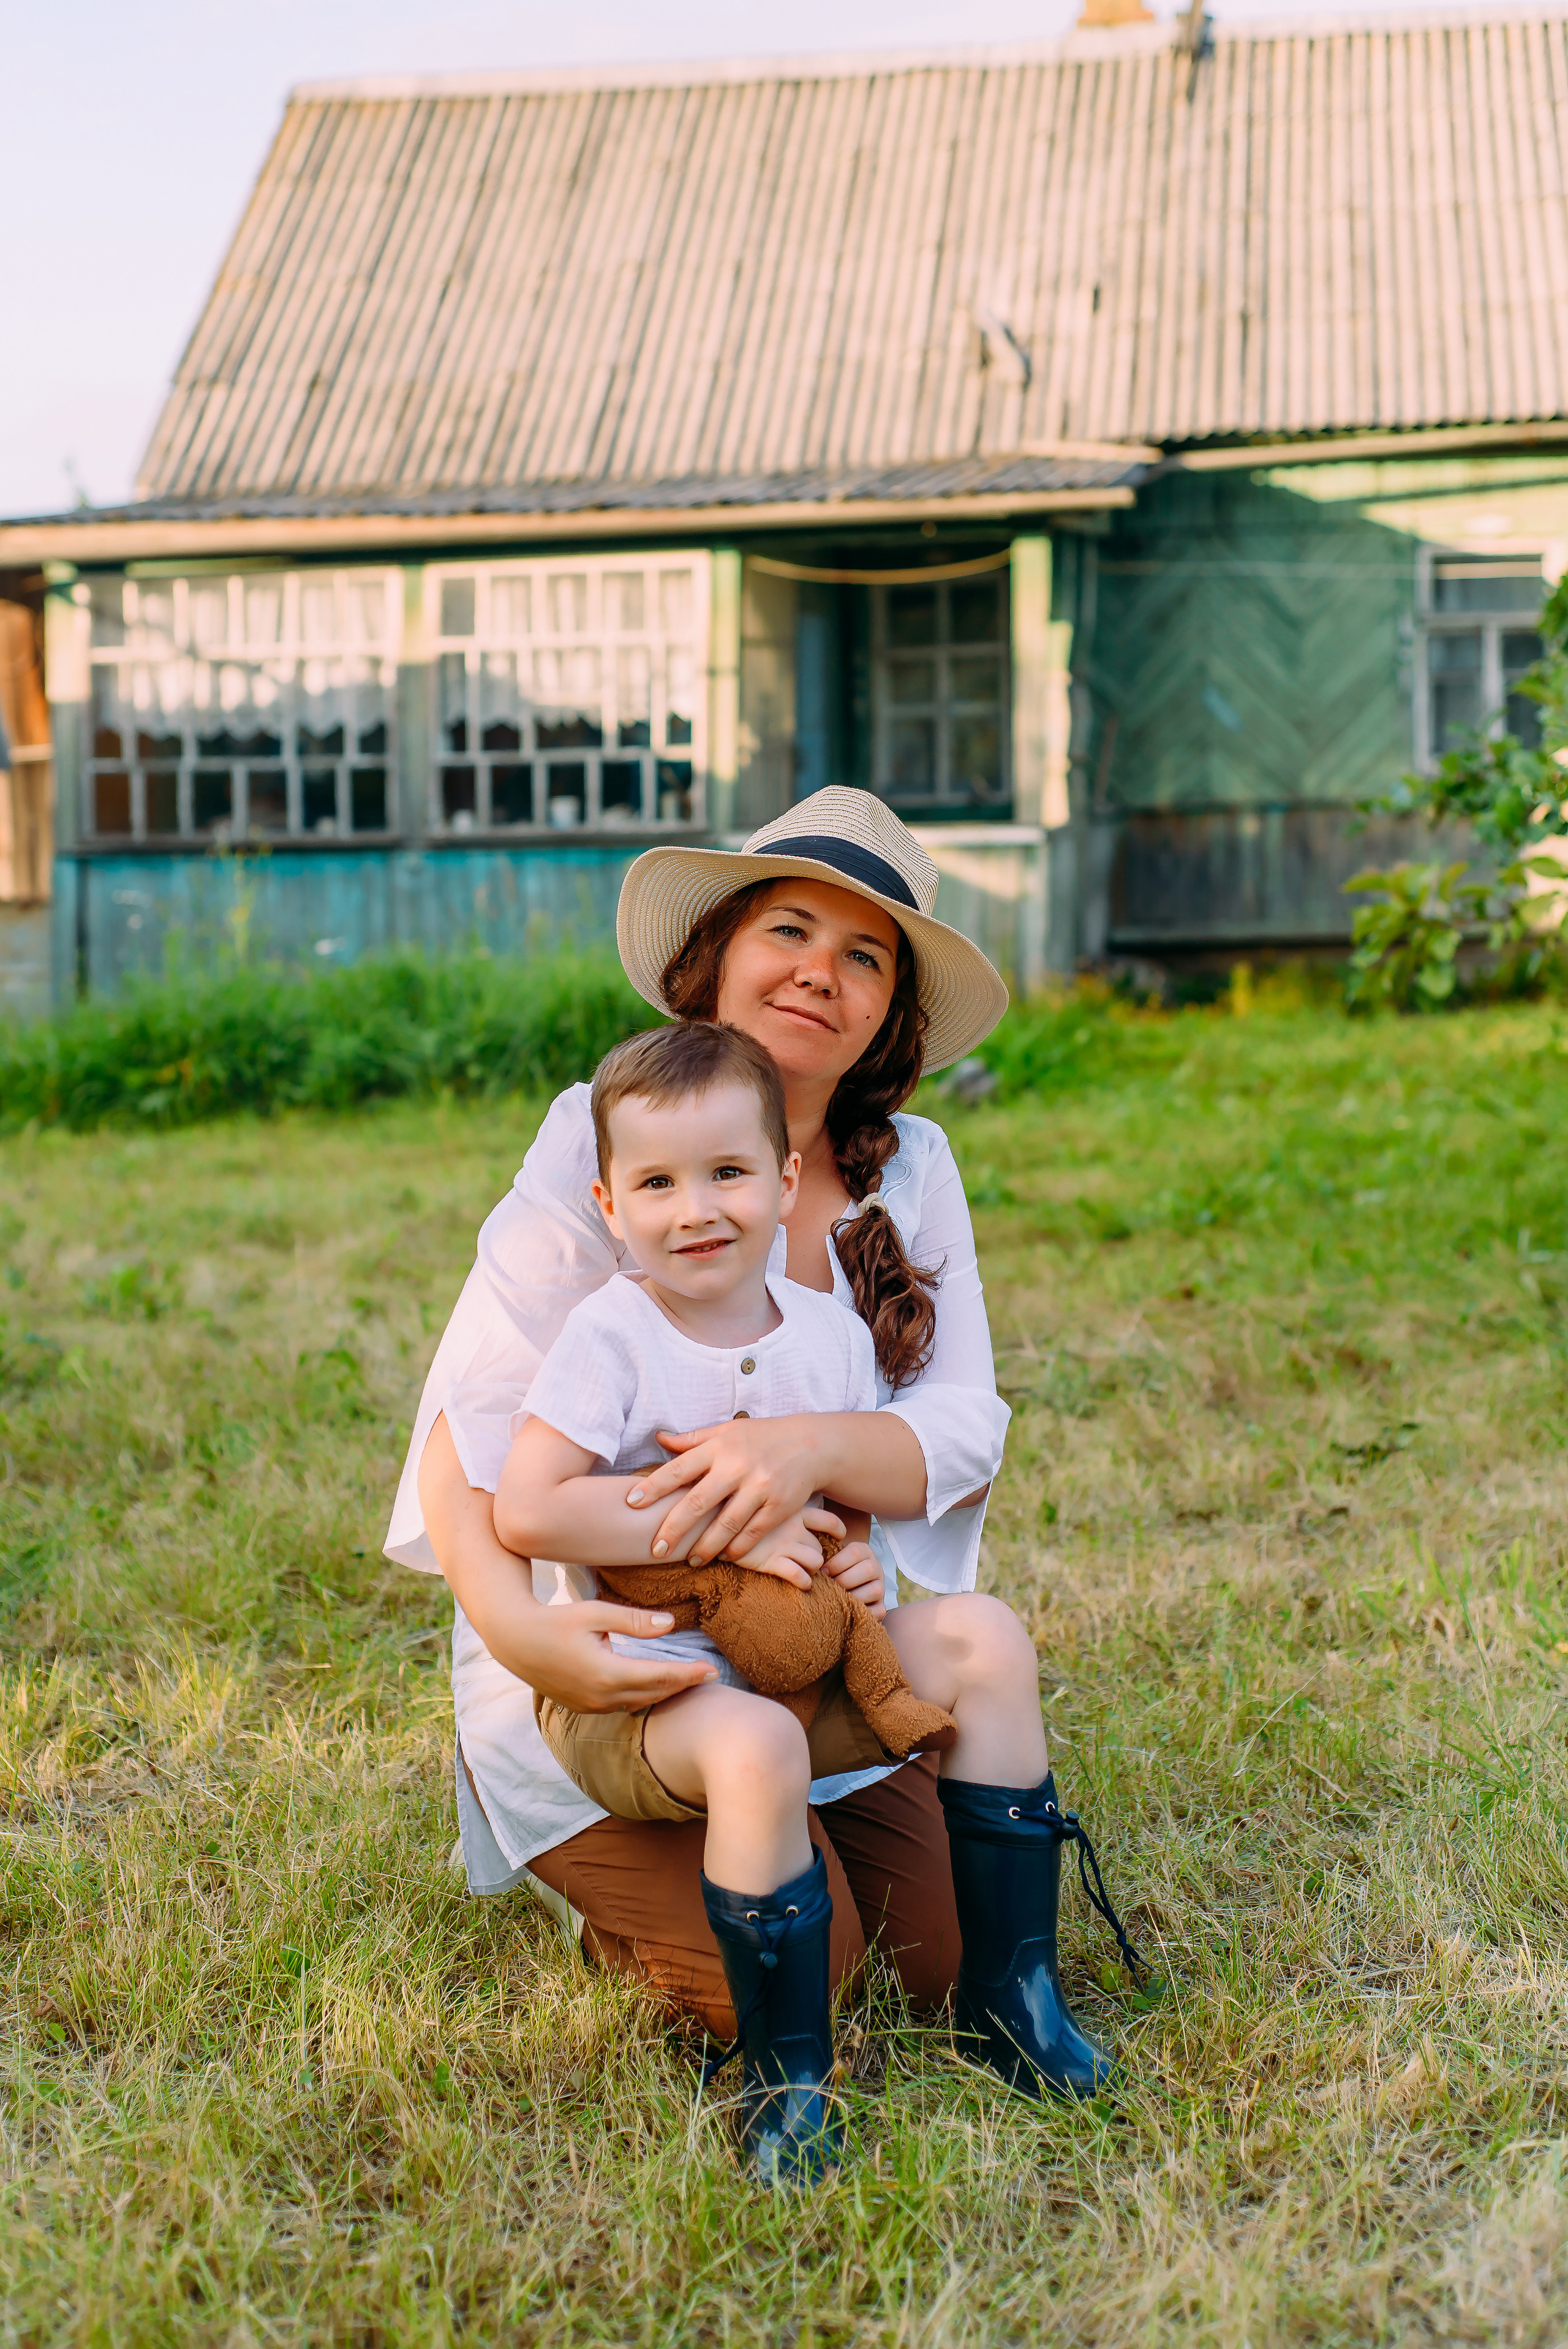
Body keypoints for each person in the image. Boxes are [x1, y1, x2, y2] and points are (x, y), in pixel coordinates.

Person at [386, 787, 1140, 2181]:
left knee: (941, 1958)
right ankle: (638, 1896)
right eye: (788, 929)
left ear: (890, 1014)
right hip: (623, 1653)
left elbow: (963, 1427)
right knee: (825, 1977)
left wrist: (795, 1455)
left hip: (807, 1639)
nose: (820, 971)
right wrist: (517, 1624)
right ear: (717, 959)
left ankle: (1004, 1997)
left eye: (865, 956)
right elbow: (473, 1428)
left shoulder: (906, 1171)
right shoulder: (609, 1135)